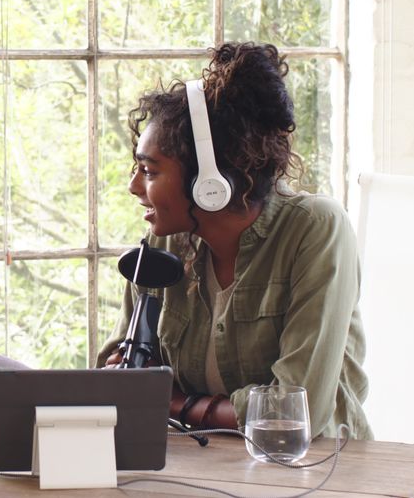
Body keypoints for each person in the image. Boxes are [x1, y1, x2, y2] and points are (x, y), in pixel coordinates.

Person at [97, 42, 372, 439]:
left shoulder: (316, 230)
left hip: (316, 466)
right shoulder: (161, 247)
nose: (134, 186)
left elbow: (297, 411)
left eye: (150, 171)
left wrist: (178, 404)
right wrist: (122, 372)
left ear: (207, 181)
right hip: (200, 465)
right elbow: (118, 380)